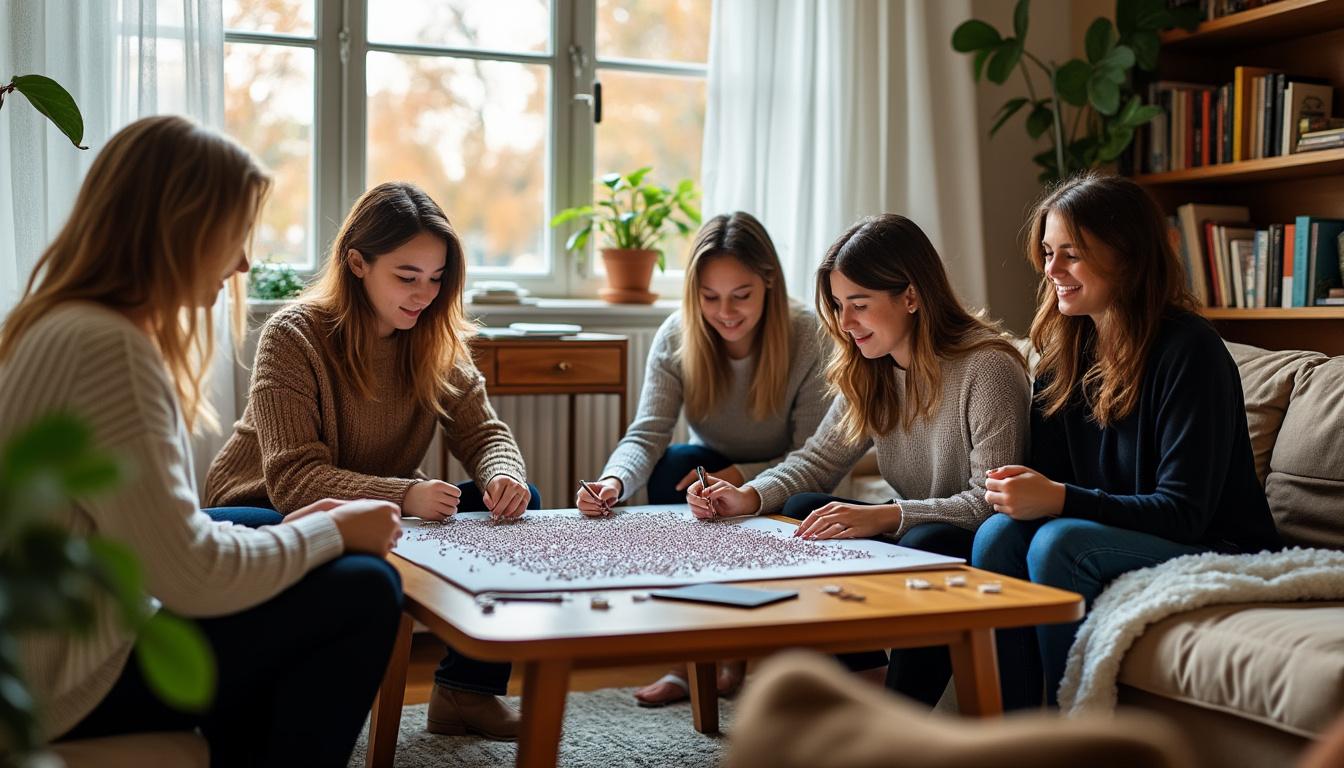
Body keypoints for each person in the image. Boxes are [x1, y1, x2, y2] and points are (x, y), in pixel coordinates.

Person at [0, 115, 404, 766]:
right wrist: (331, 533)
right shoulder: (109, 350)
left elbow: (161, 537)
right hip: (61, 682)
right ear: (179, 227)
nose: (244, 261)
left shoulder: (60, 321)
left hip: (51, 629)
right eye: (234, 234)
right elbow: (190, 574)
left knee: (258, 518)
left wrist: (302, 527)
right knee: (363, 587)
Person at [205, 181, 538, 740]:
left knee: (512, 512)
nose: (423, 295)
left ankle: (464, 694)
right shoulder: (293, 335)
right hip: (258, 507)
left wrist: (504, 474)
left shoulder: (436, 338)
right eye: (406, 277)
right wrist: (404, 494)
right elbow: (293, 480)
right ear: (357, 263)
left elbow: (484, 433)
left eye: (436, 279)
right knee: (344, 567)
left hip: (373, 505)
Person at [690, 213, 1030, 705]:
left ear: (911, 297)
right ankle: (868, 680)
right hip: (914, 524)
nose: (845, 325)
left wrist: (884, 516)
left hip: (970, 531)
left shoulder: (988, 368)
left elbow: (990, 502)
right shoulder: (871, 368)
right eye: (837, 306)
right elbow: (816, 461)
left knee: (925, 538)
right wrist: (748, 496)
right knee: (802, 506)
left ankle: (899, 721)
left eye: (860, 305)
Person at [971, 172, 1281, 709]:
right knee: (999, 534)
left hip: (1219, 546)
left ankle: (1073, 732)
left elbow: (1183, 512)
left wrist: (1059, 499)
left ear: (1127, 254)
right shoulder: (1066, 352)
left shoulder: (1191, 352)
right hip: (1124, 532)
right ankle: (1011, 735)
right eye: (1048, 253)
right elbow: (1050, 481)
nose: (1053, 271)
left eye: (1072, 253)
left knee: (1057, 542)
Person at [575, 211, 829, 706]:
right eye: (710, 297)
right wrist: (612, 482)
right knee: (675, 464)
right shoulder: (676, 335)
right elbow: (647, 433)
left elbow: (814, 456)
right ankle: (693, 655)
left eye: (741, 295)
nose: (726, 312)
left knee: (706, 475)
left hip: (786, 474)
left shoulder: (808, 336)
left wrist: (743, 479)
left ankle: (730, 654)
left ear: (769, 283)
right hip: (707, 473)